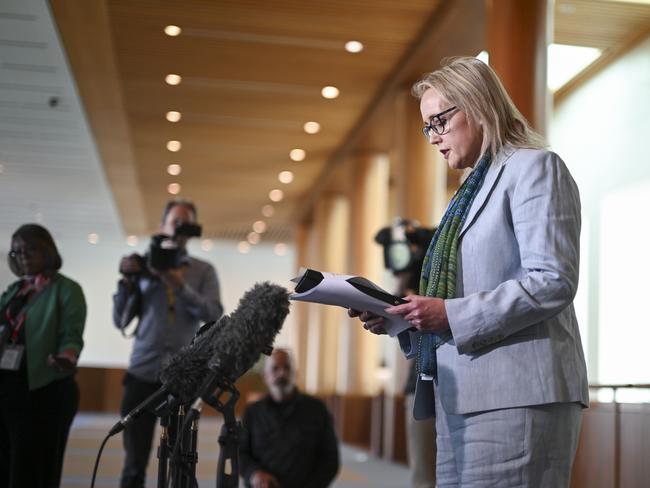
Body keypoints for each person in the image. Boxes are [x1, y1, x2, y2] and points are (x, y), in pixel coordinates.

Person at [350, 57, 589, 487]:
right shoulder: (468, 193)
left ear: (478, 106)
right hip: (459, 396)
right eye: (428, 128)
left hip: (518, 398)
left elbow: (553, 280)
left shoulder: (534, 168)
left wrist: (450, 315)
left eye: (439, 121)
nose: (434, 138)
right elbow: (461, 293)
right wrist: (399, 317)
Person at [113, 198, 223, 488]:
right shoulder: (143, 266)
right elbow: (121, 321)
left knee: (182, 462)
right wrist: (126, 283)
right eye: (175, 222)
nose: (179, 229)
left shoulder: (203, 271)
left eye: (186, 223)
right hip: (141, 373)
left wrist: (178, 285)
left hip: (182, 377)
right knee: (133, 464)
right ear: (162, 226)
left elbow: (213, 315)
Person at [0, 224, 86, 488]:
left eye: (30, 249)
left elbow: (71, 334)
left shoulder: (67, 289)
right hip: (8, 389)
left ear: (47, 251)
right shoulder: (15, 291)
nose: (23, 256)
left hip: (45, 390)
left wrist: (67, 355)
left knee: (34, 470)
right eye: (16, 252)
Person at [375, 219, 437, 488]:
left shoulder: (443, 277)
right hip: (420, 380)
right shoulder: (411, 288)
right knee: (423, 475)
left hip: (454, 377)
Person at [240, 349, 340, 488]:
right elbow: (241, 453)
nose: (282, 373)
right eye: (275, 368)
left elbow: (330, 458)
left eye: (287, 367)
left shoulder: (317, 410)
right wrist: (254, 473)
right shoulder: (252, 412)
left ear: (295, 374)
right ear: (265, 376)